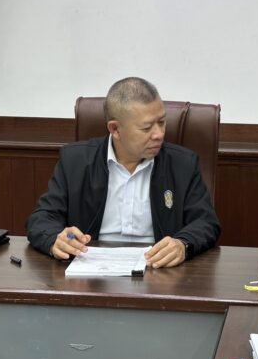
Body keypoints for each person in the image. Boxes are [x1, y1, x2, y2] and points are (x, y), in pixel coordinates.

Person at [27, 77, 220, 268]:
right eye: (147, 128)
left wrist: (182, 244)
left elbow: (206, 222)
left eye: (162, 122)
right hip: (90, 271)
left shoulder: (183, 164)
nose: (159, 134)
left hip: (158, 269)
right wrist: (56, 239)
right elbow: (41, 218)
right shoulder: (75, 161)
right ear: (115, 129)